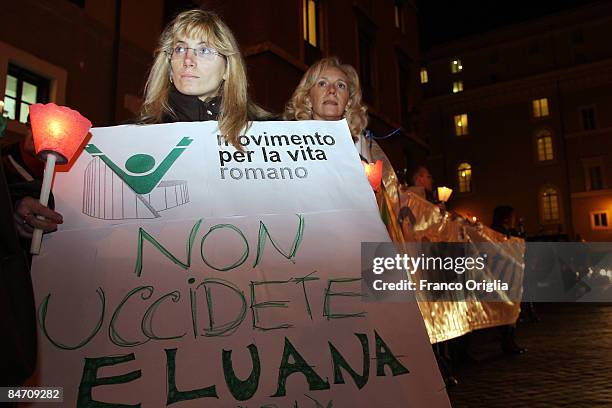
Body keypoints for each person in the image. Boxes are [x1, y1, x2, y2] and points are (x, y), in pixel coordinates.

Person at [138, 9, 273, 148]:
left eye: (204, 50)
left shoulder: (269, 134)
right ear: (170, 67)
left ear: (227, 69)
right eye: (180, 49)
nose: (188, 60)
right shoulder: (137, 137)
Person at [283, 56, 369, 154]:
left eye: (340, 85)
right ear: (308, 99)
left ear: (348, 102)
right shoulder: (287, 141)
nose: (332, 90)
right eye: (322, 84)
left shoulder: (359, 144)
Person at [490, 205, 528, 355]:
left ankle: (510, 340)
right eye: (512, 216)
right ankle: (507, 342)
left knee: (512, 308)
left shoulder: (508, 232)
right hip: (502, 275)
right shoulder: (497, 232)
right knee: (507, 308)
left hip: (510, 274)